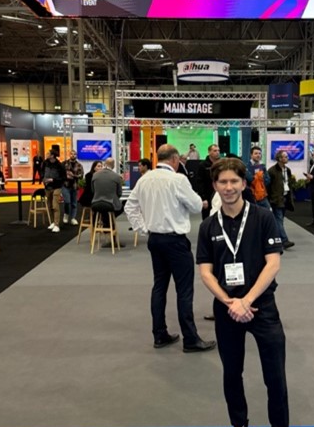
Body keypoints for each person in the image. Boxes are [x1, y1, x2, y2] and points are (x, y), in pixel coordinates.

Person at [197, 158, 291, 427]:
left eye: (234, 181)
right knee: (231, 372)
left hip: (261, 306)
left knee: (274, 374)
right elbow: (205, 272)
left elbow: (273, 264)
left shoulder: (263, 218)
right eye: (222, 182)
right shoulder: (208, 225)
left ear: (243, 183)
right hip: (227, 310)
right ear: (215, 186)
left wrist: (246, 300)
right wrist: (229, 302)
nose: (228, 187)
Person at [124, 144, 215, 353]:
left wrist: (143, 228)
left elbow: (130, 207)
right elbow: (194, 205)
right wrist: (201, 203)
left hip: (155, 240)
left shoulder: (144, 179)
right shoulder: (178, 179)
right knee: (184, 290)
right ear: (174, 160)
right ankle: (190, 339)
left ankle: (159, 334)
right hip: (175, 241)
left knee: (159, 287)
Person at [267, 151, 294, 249]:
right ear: (279, 158)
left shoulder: (288, 170)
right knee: (278, 219)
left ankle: (276, 238)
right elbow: (268, 186)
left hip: (285, 197)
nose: (287, 158)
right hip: (276, 198)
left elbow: (289, 183)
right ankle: (284, 240)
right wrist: (270, 199)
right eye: (285, 157)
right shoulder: (272, 171)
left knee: (280, 220)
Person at [91, 158, 124, 237]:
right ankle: (109, 224)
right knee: (120, 208)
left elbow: (93, 190)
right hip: (110, 203)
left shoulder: (95, 175)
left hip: (95, 204)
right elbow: (119, 193)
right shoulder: (116, 176)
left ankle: (106, 223)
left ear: (105, 164)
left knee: (105, 210)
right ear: (113, 165)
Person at [42, 150, 66, 233]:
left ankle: (56, 224)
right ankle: (52, 222)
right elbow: (41, 172)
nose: (46, 154)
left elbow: (63, 177)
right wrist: (43, 179)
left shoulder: (59, 165)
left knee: (55, 206)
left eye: (48, 153)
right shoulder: (45, 163)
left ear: (52, 155)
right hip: (47, 187)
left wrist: (53, 180)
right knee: (49, 205)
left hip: (57, 187)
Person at [197, 144, 221, 219]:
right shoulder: (202, 165)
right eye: (215, 151)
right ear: (209, 152)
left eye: (218, 150)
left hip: (219, 195)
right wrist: (203, 198)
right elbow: (199, 182)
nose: (217, 152)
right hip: (207, 196)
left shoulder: (221, 164)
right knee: (207, 219)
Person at [62, 150, 84, 225]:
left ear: (76, 155)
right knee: (67, 201)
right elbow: (60, 173)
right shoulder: (64, 164)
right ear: (69, 155)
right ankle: (66, 215)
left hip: (75, 186)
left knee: (74, 203)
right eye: (71, 154)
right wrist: (66, 176)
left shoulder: (79, 165)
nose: (73, 155)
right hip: (65, 185)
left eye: (74, 154)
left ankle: (73, 218)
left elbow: (81, 176)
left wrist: (73, 176)